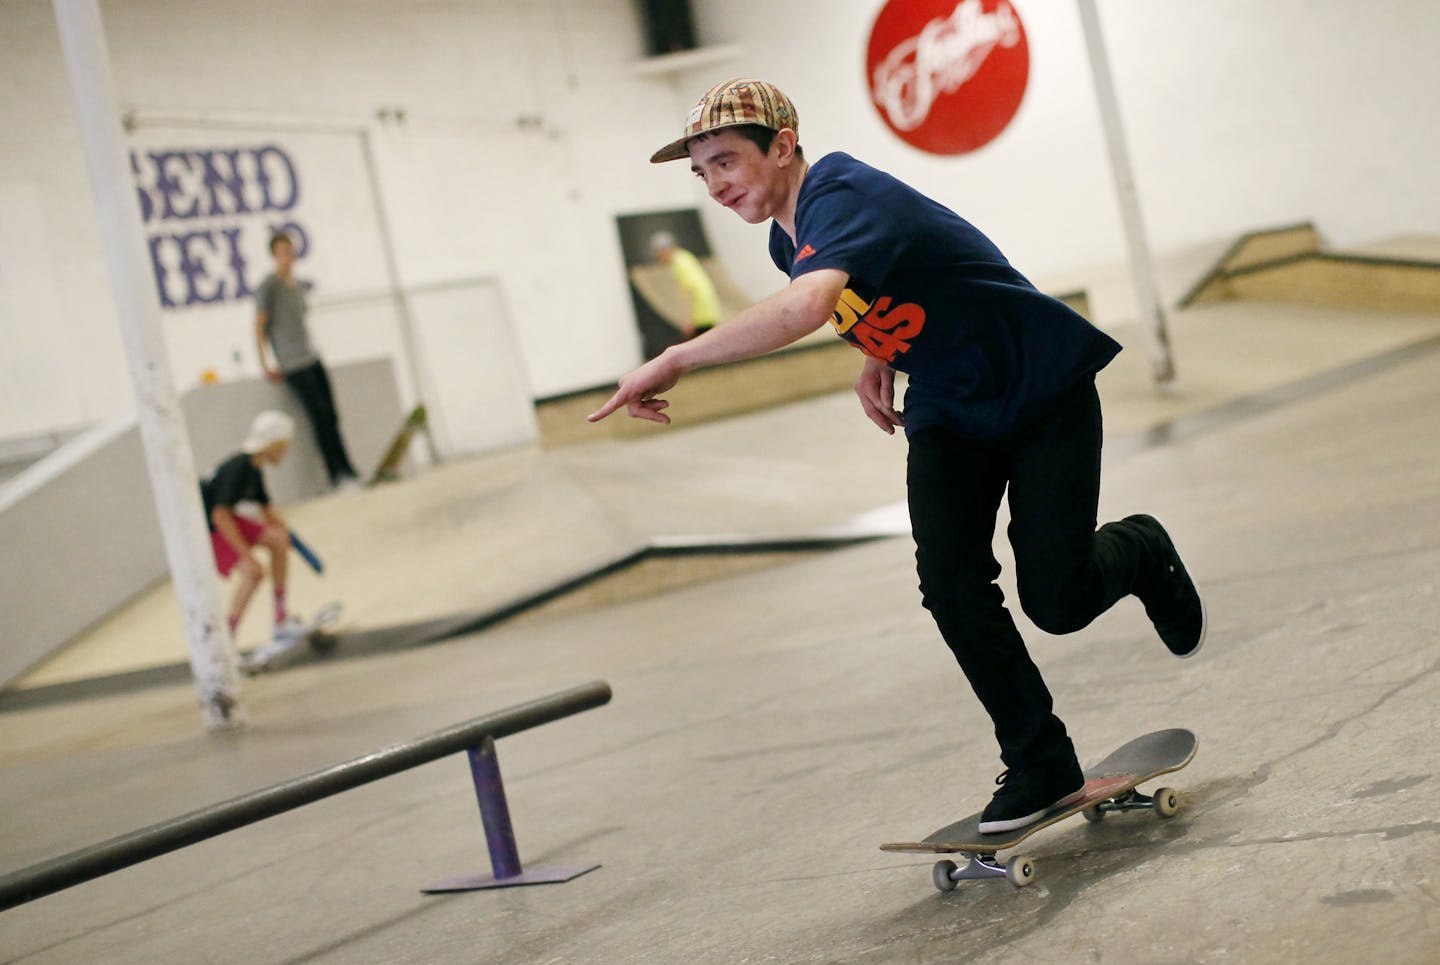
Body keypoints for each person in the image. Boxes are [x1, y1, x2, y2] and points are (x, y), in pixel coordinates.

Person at [588, 78, 1206, 833]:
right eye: (702, 172)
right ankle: (1040, 757)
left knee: (1058, 600)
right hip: (949, 407)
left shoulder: (842, 190)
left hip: (1039, 390)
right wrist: (877, 350)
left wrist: (677, 357)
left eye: (726, 162)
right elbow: (869, 290)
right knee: (950, 583)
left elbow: (808, 304)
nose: (716, 185)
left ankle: (1142, 550)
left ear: (783, 146)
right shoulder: (789, 234)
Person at [255, 231, 361, 491]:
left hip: (311, 356)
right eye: (281, 252)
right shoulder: (269, 285)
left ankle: (347, 468)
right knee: (319, 416)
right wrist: (266, 364)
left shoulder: (297, 285)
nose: (286, 257)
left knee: (331, 414)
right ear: (274, 256)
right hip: (293, 363)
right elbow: (259, 326)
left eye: (289, 251)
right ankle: (337, 475)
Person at [201, 410, 304, 645]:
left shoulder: (254, 467)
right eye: (285, 445)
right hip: (209, 529)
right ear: (274, 444)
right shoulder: (239, 467)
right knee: (254, 572)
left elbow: (266, 510)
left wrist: (288, 534)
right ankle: (227, 637)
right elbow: (220, 516)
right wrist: (246, 556)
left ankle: (280, 617)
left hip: (226, 521)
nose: (286, 451)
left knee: (277, 540)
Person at [649, 230, 723, 339]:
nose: (658, 257)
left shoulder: (679, 263)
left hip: (701, 316)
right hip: (708, 312)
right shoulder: (685, 257)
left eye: (658, 253)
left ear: (665, 250)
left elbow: (692, 290)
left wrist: (689, 319)